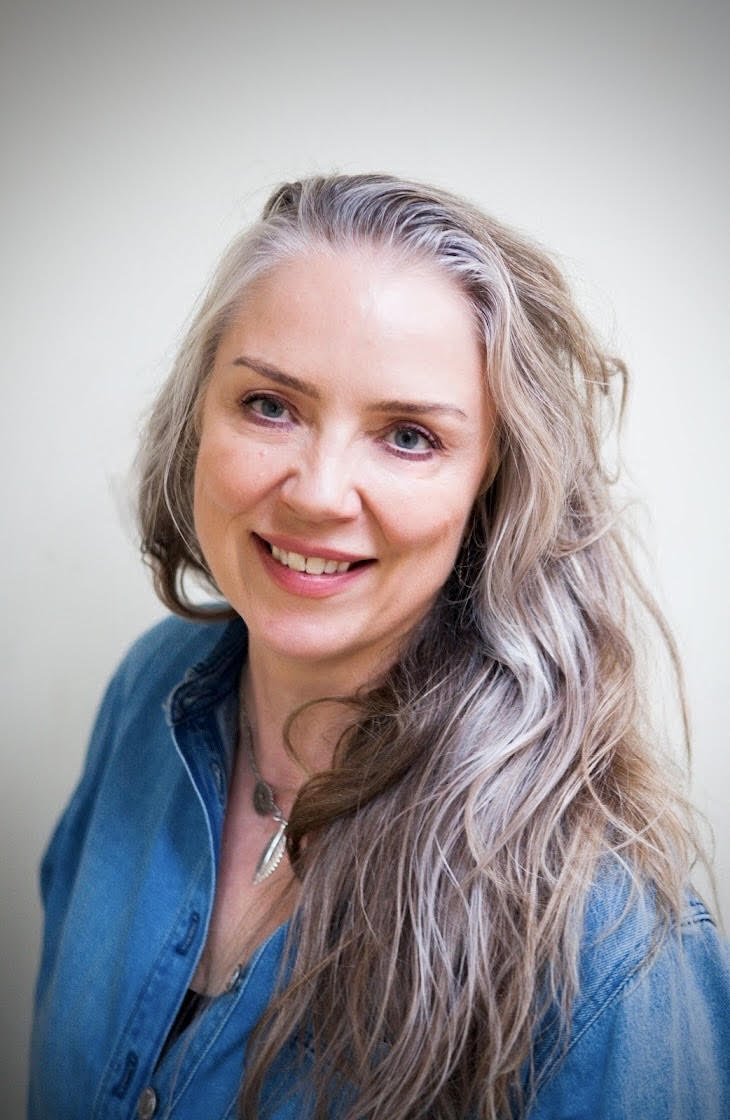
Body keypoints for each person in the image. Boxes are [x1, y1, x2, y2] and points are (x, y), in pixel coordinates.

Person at [30, 173, 729, 1120]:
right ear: (200, 417)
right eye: (270, 405)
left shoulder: (601, 930)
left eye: (407, 436)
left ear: (494, 489)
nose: (317, 492)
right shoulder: (150, 695)